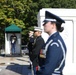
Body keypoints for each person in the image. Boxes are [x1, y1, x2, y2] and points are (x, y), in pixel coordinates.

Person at [36, 11, 67, 75]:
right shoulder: (52, 40)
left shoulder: (55, 43)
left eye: (45, 23)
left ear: (53, 25)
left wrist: (39, 72)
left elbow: (48, 69)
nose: (43, 25)